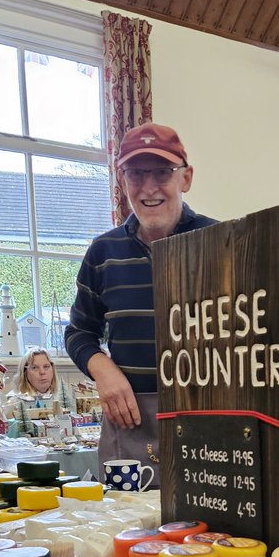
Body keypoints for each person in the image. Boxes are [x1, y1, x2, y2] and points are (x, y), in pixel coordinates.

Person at [65, 123, 216, 484]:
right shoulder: (103, 253)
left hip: (210, 423)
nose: (148, 188)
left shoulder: (221, 243)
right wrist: (104, 371)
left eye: (162, 172)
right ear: (122, 180)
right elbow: (79, 332)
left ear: (186, 178)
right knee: (128, 534)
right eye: (136, 174)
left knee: (209, 535)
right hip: (130, 421)